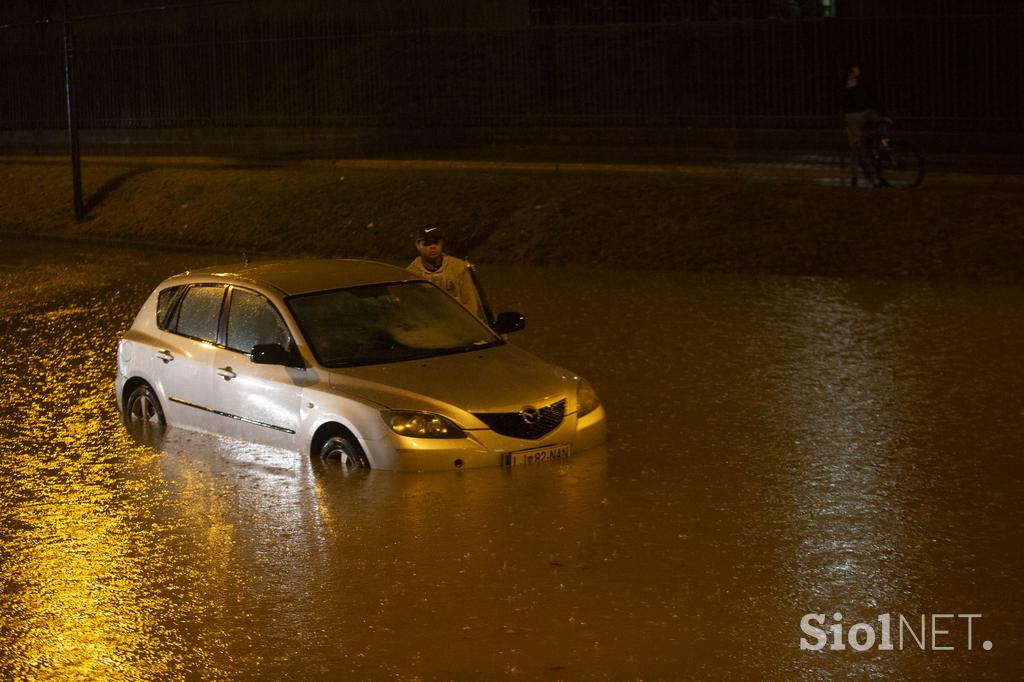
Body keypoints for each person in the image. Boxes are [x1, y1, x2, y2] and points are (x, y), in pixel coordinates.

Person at [406, 226, 488, 321]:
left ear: (442, 243)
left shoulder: (459, 267)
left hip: (458, 323)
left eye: (436, 242)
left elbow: (470, 304)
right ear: (418, 245)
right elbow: (411, 309)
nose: (433, 246)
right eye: (427, 242)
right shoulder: (410, 274)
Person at [841, 63, 885, 187]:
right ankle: (862, 175)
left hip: (859, 115)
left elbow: (871, 96)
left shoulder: (859, 82)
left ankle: (883, 148)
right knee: (858, 147)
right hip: (855, 116)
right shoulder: (849, 82)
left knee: (859, 146)